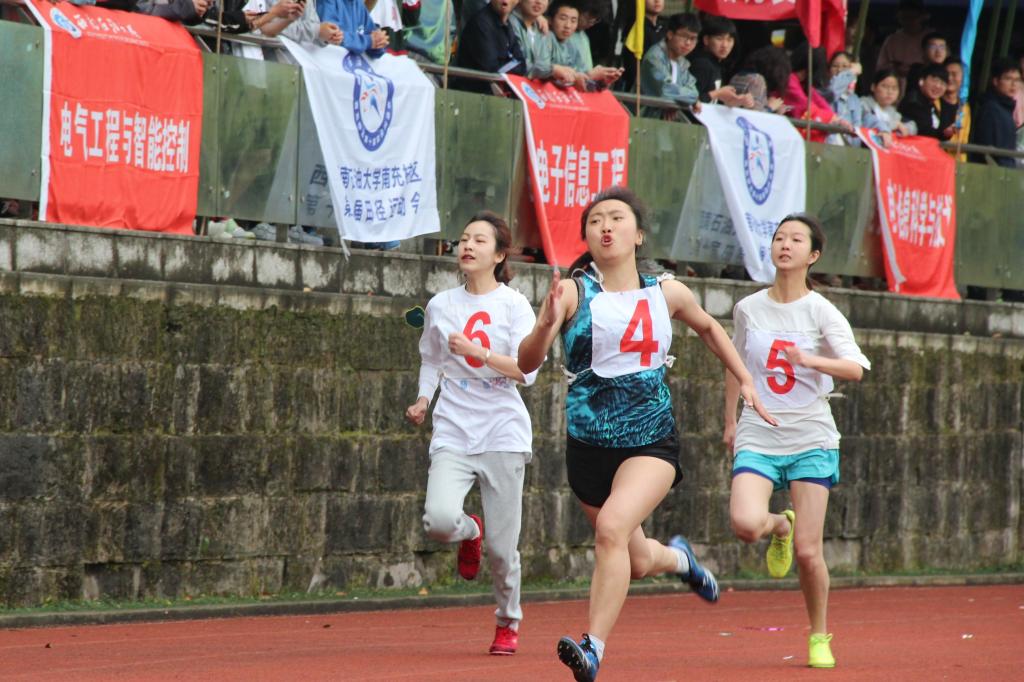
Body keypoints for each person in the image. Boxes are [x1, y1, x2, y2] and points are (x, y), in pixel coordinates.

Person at [516, 186, 776, 682]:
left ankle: (592, 648)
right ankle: (679, 559)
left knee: (612, 529)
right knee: (634, 559)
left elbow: (710, 328)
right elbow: (526, 363)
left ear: (638, 235)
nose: (606, 226)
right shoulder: (571, 293)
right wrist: (545, 324)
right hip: (588, 447)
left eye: (617, 218)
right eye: (596, 220)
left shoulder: (666, 292)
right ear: (587, 237)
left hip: (649, 441)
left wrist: (745, 378)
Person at [724, 213, 870, 670]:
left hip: (811, 436)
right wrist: (729, 420)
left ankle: (819, 634)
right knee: (746, 524)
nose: (785, 245)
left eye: (796, 240)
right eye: (779, 238)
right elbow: (734, 362)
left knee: (809, 553)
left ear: (813, 255)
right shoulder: (748, 308)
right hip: (758, 430)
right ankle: (779, 527)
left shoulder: (821, 311)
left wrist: (809, 359)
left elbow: (855, 368)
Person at [405, 212, 538, 656]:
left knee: (503, 550)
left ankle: (507, 621)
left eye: (479, 240)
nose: (467, 246)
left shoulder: (514, 306)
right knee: (439, 520)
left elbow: (526, 371)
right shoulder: (441, 305)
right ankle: (468, 531)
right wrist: (424, 399)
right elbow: (431, 359)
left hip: (502, 429)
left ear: (499, 255)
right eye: (463, 239)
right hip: (454, 426)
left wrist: (480, 352)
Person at [533, 0, 623, 89]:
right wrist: (588, 76)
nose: (568, 25)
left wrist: (601, 82)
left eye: (573, 20)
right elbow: (539, 70)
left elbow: (582, 81)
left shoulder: (581, 38)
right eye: (563, 18)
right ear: (550, 19)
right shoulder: (545, 35)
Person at [454, 0, 527, 93]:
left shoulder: (508, 24)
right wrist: (512, 65)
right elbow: (492, 71)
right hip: (471, 95)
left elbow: (522, 63)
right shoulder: (481, 23)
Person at [639, 12, 700, 119]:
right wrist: (691, 99)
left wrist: (678, 100)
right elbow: (666, 90)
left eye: (693, 39)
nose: (688, 43)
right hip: (641, 118)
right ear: (670, 34)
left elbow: (693, 90)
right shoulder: (655, 57)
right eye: (684, 36)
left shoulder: (682, 62)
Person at [970, 58, 1022, 169]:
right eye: (1008, 79)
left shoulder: (1005, 108)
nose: (1013, 84)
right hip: (993, 172)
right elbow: (988, 149)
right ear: (995, 81)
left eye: (1017, 80)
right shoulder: (991, 109)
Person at [689, 14, 746, 106]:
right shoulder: (702, 64)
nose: (725, 45)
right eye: (719, 39)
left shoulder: (717, 64)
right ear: (706, 40)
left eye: (729, 40)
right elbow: (689, 100)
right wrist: (718, 93)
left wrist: (735, 101)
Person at [876, 0, 930, 91]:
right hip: (896, 88)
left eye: (912, 18)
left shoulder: (931, 38)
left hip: (924, 87)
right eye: (904, 18)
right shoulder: (892, 40)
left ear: (921, 17)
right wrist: (894, 68)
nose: (908, 22)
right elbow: (881, 68)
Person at [898, 63, 956, 140]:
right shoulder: (913, 102)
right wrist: (943, 133)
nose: (938, 86)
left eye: (943, 83)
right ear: (921, 81)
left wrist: (947, 133)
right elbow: (924, 133)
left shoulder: (931, 104)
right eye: (935, 80)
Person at [316, 0, 389, 55]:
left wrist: (379, 43)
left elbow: (373, 38)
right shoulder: (327, 2)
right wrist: (368, 41)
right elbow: (333, 37)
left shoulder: (359, 4)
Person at [861, 69, 914, 136]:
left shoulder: (893, 112)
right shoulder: (863, 104)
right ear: (873, 87)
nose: (890, 92)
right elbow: (867, 122)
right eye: (885, 86)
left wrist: (903, 128)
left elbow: (912, 126)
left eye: (894, 88)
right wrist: (893, 125)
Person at [942, 56, 970, 160]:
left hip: (953, 163)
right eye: (946, 74)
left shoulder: (964, 108)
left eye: (954, 74)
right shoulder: (933, 101)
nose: (949, 78)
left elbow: (963, 141)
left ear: (963, 78)